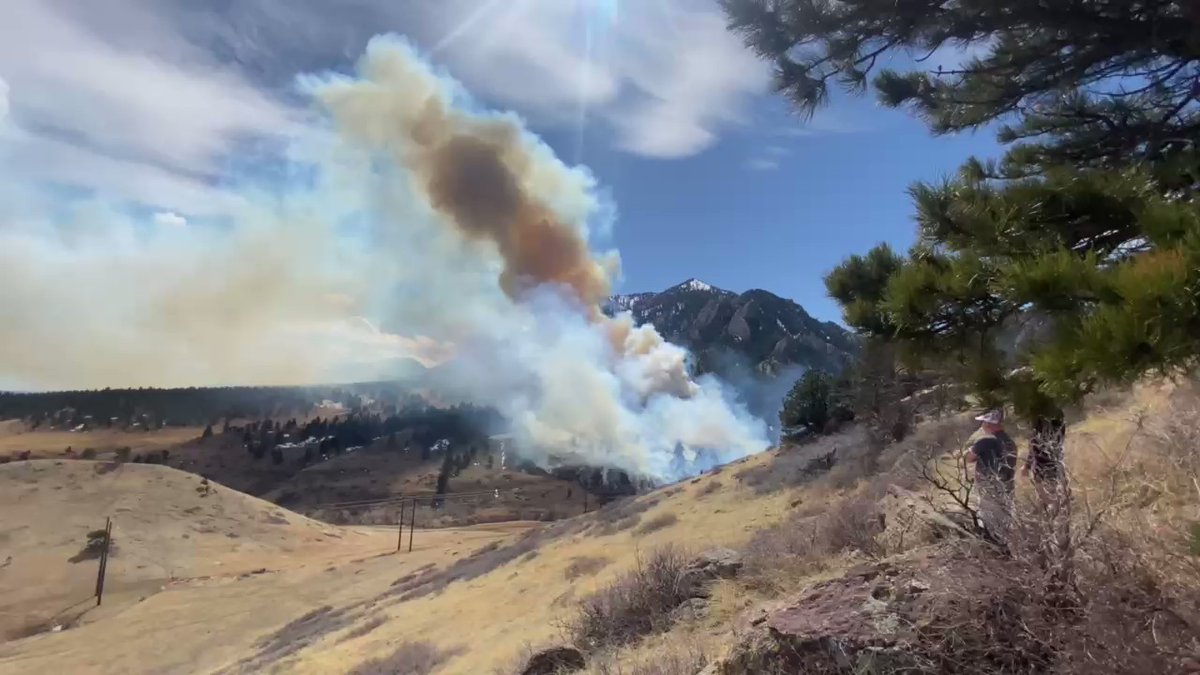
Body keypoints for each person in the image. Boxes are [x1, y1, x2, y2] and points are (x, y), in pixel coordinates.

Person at [965, 408, 1018, 542]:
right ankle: (1005, 547)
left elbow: (968, 458)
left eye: (983, 422)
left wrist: (972, 446)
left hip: (988, 487)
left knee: (988, 521)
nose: (982, 425)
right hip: (1007, 486)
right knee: (1004, 520)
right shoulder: (1010, 442)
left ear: (988, 424)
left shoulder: (984, 441)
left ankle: (993, 549)